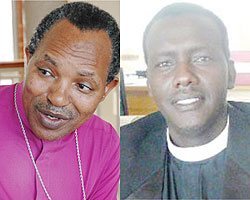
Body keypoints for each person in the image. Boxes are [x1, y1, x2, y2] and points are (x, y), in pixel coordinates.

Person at [121, 2, 250, 199]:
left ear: (231, 74)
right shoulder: (119, 154)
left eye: (202, 59)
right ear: (149, 84)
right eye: (165, 63)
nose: (183, 76)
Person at [0, 2, 120, 200]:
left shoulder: (105, 142)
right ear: (28, 59)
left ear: (106, 90)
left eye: (83, 86)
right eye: (46, 72)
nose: (57, 99)